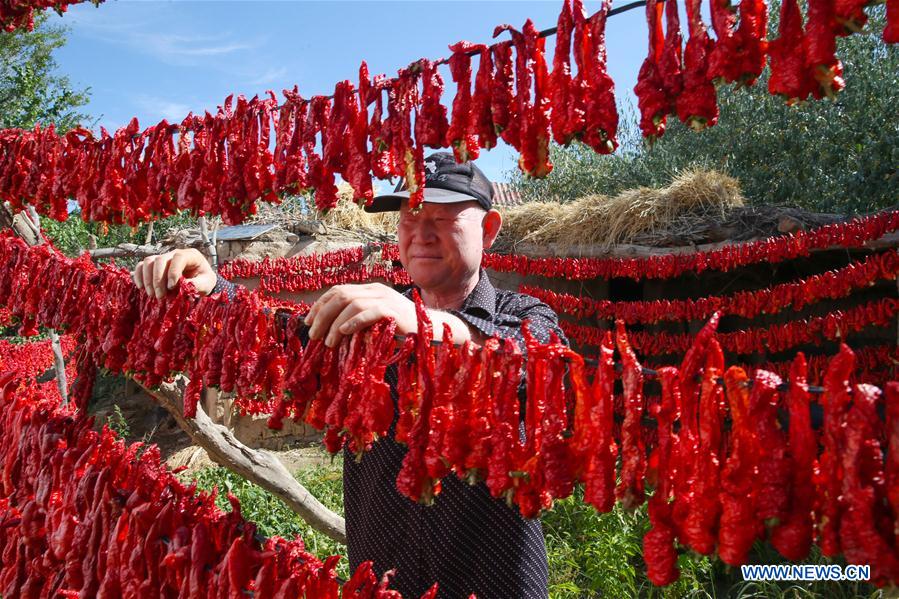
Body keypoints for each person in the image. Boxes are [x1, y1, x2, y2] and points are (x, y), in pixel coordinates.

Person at [132, 152, 568, 598]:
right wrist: (214, 289)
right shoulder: (371, 318)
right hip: (383, 576)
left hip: (493, 581)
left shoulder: (523, 315)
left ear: (488, 229)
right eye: (410, 217)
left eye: (442, 217)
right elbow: (284, 340)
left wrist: (425, 324)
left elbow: (541, 361)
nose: (421, 234)